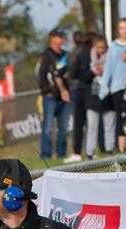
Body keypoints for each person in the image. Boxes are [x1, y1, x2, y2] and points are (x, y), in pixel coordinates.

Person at [99, 18, 126, 152]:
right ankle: (121, 148)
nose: (124, 30)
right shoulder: (113, 47)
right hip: (117, 88)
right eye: (121, 28)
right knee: (121, 117)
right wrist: (104, 87)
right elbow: (108, 69)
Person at [37, 28, 72, 160]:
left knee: (64, 127)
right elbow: (40, 74)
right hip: (50, 97)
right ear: (52, 38)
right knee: (48, 127)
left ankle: (61, 153)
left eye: (62, 37)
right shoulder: (46, 55)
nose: (61, 39)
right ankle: (46, 154)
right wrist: (47, 91)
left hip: (64, 96)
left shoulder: (64, 55)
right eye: (59, 37)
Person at [83, 35, 116, 159]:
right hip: (92, 97)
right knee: (92, 126)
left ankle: (109, 149)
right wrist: (93, 72)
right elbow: (81, 77)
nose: (101, 50)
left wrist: (106, 72)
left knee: (109, 124)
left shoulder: (111, 57)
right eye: (99, 48)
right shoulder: (87, 57)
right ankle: (89, 152)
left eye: (103, 48)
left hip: (108, 96)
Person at [66, 32, 92, 162]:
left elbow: (68, 73)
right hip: (88, 89)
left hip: (76, 89)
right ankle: (90, 150)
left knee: (78, 122)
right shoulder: (90, 53)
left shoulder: (71, 55)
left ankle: (77, 151)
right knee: (91, 122)